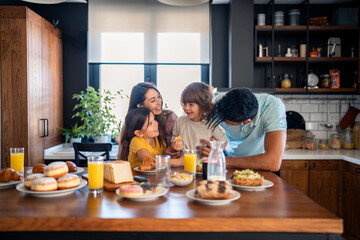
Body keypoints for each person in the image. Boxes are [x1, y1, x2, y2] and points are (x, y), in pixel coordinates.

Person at [197, 88, 286, 172]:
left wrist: (221, 159)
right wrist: (214, 146)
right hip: (226, 162)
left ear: (246, 121)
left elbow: (273, 162)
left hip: (259, 165)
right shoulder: (219, 103)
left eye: (225, 121)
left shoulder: (272, 107)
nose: (220, 119)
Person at [116, 82, 178, 160]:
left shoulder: (170, 118)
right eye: (153, 101)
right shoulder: (132, 129)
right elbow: (121, 157)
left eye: (159, 97)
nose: (159, 102)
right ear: (140, 106)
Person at [170, 82, 227, 154]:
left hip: (203, 163)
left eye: (191, 104)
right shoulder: (180, 121)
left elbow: (224, 142)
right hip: (184, 162)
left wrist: (215, 152)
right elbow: (173, 141)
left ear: (202, 105)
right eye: (184, 104)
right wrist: (175, 146)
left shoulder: (211, 124)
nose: (186, 108)